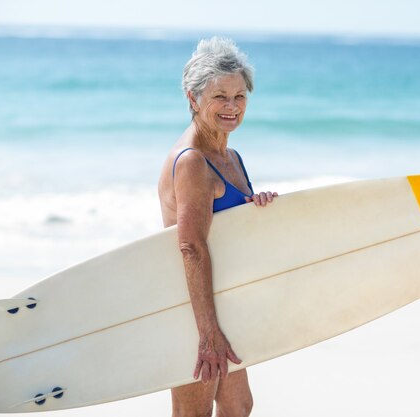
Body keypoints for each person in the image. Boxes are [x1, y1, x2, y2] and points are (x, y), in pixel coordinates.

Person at [158, 37, 277, 417]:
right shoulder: (193, 161)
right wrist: (207, 333)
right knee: (193, 413)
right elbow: (190, 246)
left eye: (240, 96)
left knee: (238, 405)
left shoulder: (231, 157)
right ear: (193, 99)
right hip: (193, 308)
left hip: (223, 302)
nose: (232, 107)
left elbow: (227, 227)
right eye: (220, 97)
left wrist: (257, 207)